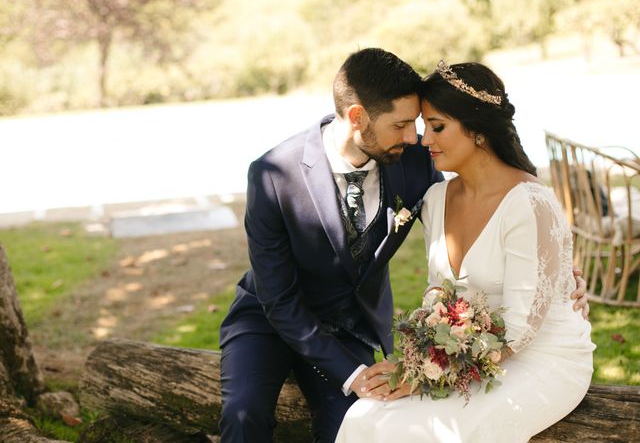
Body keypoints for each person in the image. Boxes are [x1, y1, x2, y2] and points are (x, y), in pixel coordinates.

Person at [219, 49, 589, 443]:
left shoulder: (415, 162)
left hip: (350, 327)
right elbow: (279, 298)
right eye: (402, 125)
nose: (415, 137)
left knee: (349, 424)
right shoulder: (273, 174)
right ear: (358, 117)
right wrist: (365, 372)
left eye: (422, 125)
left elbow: (510, 214)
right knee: (244, 416)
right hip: (267, 319)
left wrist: (560, 274)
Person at [335, 61, 596, 443]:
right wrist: (413, 361)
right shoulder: (436, 198)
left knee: (429, 433)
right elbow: (437, 294)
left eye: (437, 127)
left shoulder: (527, 202)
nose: (424, 141)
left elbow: (521, 330)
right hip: (468, 356)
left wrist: (424, 375)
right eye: (423, 127)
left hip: (542, 358)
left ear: (477, 131)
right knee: (363, 416)